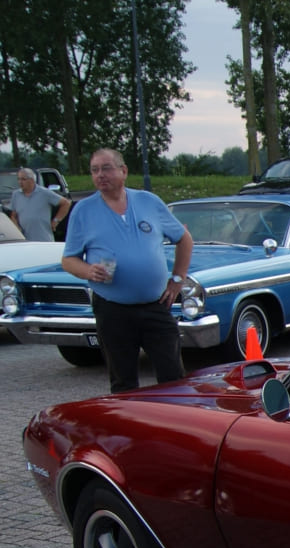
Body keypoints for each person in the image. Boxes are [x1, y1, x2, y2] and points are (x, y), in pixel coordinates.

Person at [61, 148, 192, 393]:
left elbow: (184, 239)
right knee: (123, 381)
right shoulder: (83, 211)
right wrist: (88, 271)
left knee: (173, 375)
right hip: (113, 308)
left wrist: (177, 279)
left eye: (106, 168)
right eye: (95, 170)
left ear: (123, 171)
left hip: (155, 304)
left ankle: (174, 424)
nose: (100, 175)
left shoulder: (148, 201)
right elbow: (69, 260)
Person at [7, 167, 71, 241]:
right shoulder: (16, 195)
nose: (20, 182)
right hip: (24, 240)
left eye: (23, 179)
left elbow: (66, 203)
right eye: (18, 179)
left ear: (31, 180)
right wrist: (17, 229)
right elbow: (13, 215)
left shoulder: (44, 193)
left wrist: (56, 221)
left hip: (43, 238)